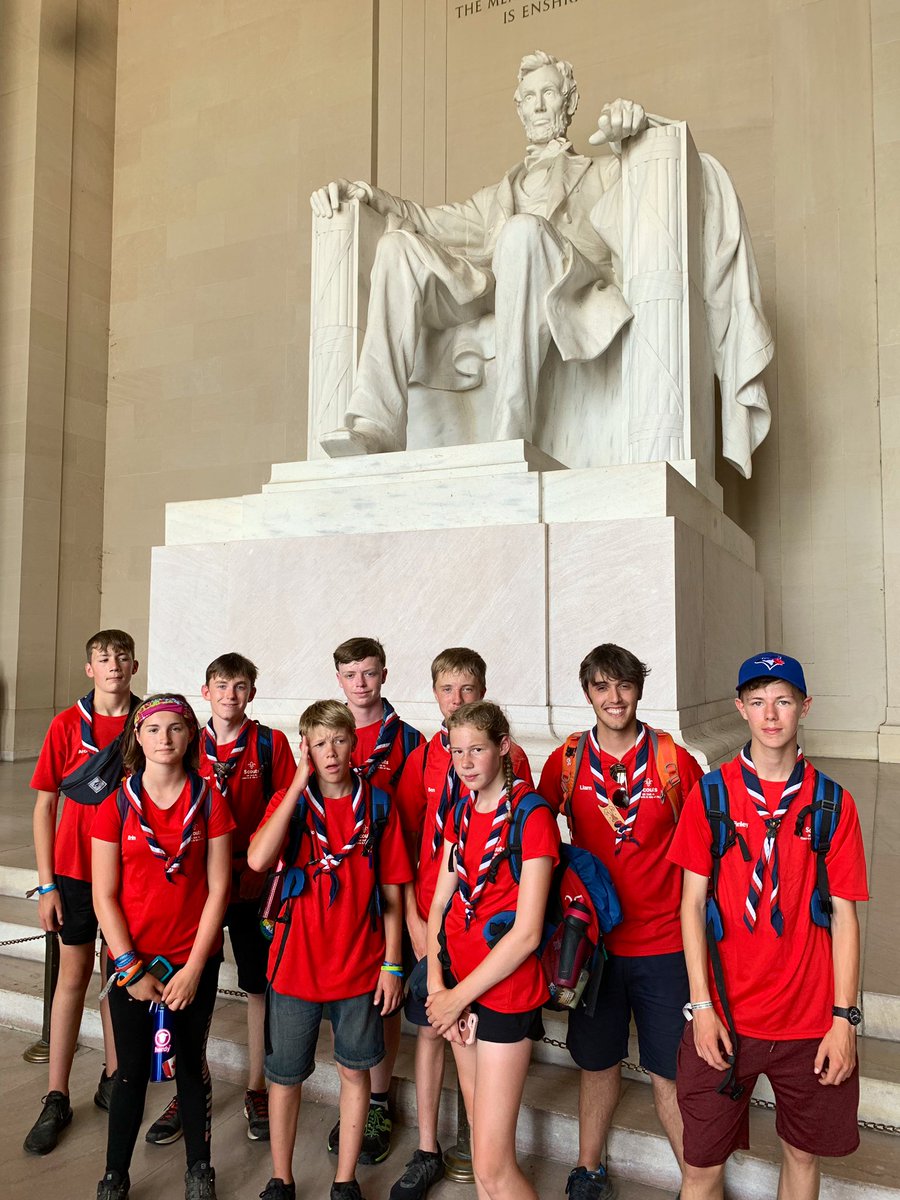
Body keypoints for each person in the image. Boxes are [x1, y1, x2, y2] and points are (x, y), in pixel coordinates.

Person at [310, 51, 771, 474]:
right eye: (528, 97)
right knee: (397, 248)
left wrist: (634, 130)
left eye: (548, 93)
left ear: (567, 104)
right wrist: (369, 196)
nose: (537, 105)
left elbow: (656, 173)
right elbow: (427, 220)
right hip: (496, 284)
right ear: (519, 108)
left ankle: (509, 431)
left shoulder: (599, 171)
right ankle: (376, 426)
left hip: (569, 282)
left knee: (522, 233)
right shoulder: (496, 197)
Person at [668, 653, 869, 1200]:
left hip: (810, 1020)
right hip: (727, 1017)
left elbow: (846, 918)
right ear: (740, 708)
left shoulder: (832, 803)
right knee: (703, 1165)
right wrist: (701, 1008)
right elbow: (690, 906)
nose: (770, 714)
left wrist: (843, 1019)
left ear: (805, 707)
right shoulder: (711, 796)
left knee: (802, 1155)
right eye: (757, 701)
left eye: (783, 700)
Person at [537, 643, 703, 1200]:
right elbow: (536, 839)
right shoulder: (565, 762)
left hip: (664, 944)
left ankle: (697, 1185)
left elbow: (707, 851)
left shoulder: (672, 761)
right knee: (597, 1061)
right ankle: (588, 1169)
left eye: (624, 685)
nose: (615, 698)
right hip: (595, 949)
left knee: (669, 1073)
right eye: (602, 687)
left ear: (639, 689)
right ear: (587, 693)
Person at [247, 700, 412, 1200]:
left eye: (339, 740)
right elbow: (256, 860)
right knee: (285, 1076)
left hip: (360, 966)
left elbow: (392, 894)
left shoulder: (378, 805)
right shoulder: (290, 800)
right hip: (295, 965)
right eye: (319, 743)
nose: (331, 752)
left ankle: (345, 1180)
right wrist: (296, 783)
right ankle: (282, 1177)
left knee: (354, 1071)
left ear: (353, 742)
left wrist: (392, 963)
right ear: (306, 749)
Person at [388, 648, 534, 1200]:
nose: (458, 699)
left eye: (468, 689)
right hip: (437, 922)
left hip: (490, 937)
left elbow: (516, 849)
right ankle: (430, 1147)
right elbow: (403, 839)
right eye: (448, 690)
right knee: (435, 1032)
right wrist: (422, 927)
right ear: (435, 694)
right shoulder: (429, 755)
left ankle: (489, 1158)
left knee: (474, 1052)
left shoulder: (511, 761)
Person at [145, 653, 296, 1146]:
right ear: (204, 690)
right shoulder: (185, 741)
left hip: (250, 886)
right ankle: (191, 1083)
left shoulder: (270, 745)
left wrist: (265, 872)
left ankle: (256, 1086)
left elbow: (286, 813)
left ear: (252, 693)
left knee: (257, 986)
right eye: (221, 685)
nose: (230, 694)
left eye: (240, 686)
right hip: (197, 890)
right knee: (190, 988)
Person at [92, 695, 234, 1200]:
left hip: (192, 959)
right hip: (133, 960)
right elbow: (103, 893)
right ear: (138, 737)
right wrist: (128, 967)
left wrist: (196, 967)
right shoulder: (116, 802)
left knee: (190, 1066)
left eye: (176, 729)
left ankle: (199, 1169)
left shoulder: (210, 799)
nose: (165, 739)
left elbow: (220, 888)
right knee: (129, 1071)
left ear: (191, 735)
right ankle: (115, 1175)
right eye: (154, 730)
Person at [426, 701, 560, 1200]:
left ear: (503, 747)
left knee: (494, 1164)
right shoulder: (460, 811)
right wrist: (441, 988)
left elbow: (526, 934)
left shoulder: (531, 816)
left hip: (503, 995)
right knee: (483, 1165)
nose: (465, 762)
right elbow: (440, 902)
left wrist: (457, 999)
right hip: (458, 988)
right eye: (456, 751)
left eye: (476, 749)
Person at [24, 630, 140, 1156]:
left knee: (118, 973)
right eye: (102, 657)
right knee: (72, 973)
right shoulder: (67, 724)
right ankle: (56, 1093)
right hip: (73, 870)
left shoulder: (148, 721)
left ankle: (115, 1078)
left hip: (130, 870)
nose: (112, 665)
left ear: (134, 664)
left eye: (120, 656)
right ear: (89, 668)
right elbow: (45, 805)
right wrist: (46, 883)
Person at [329, 637, 424, 1165]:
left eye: (369, 673)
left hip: (388, 888)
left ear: (384, 675)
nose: (360, 684)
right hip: (334, 890)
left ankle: (379, 1100)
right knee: (348, 995)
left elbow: (413, 825)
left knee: (384, 995)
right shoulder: (327, 733)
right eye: (350, 674)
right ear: (338, 679)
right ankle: (353, 1095)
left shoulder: (409, 741)